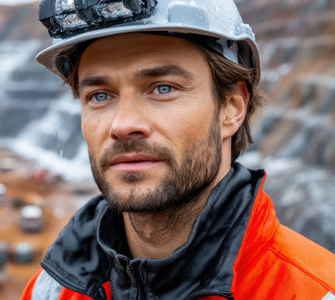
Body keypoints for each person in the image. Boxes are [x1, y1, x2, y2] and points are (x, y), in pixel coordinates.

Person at [21, 0, 335, 299]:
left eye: (163, 88)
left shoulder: (315, 291)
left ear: (232, 108)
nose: (122, 125)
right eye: (100, 95)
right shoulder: (51, 289)